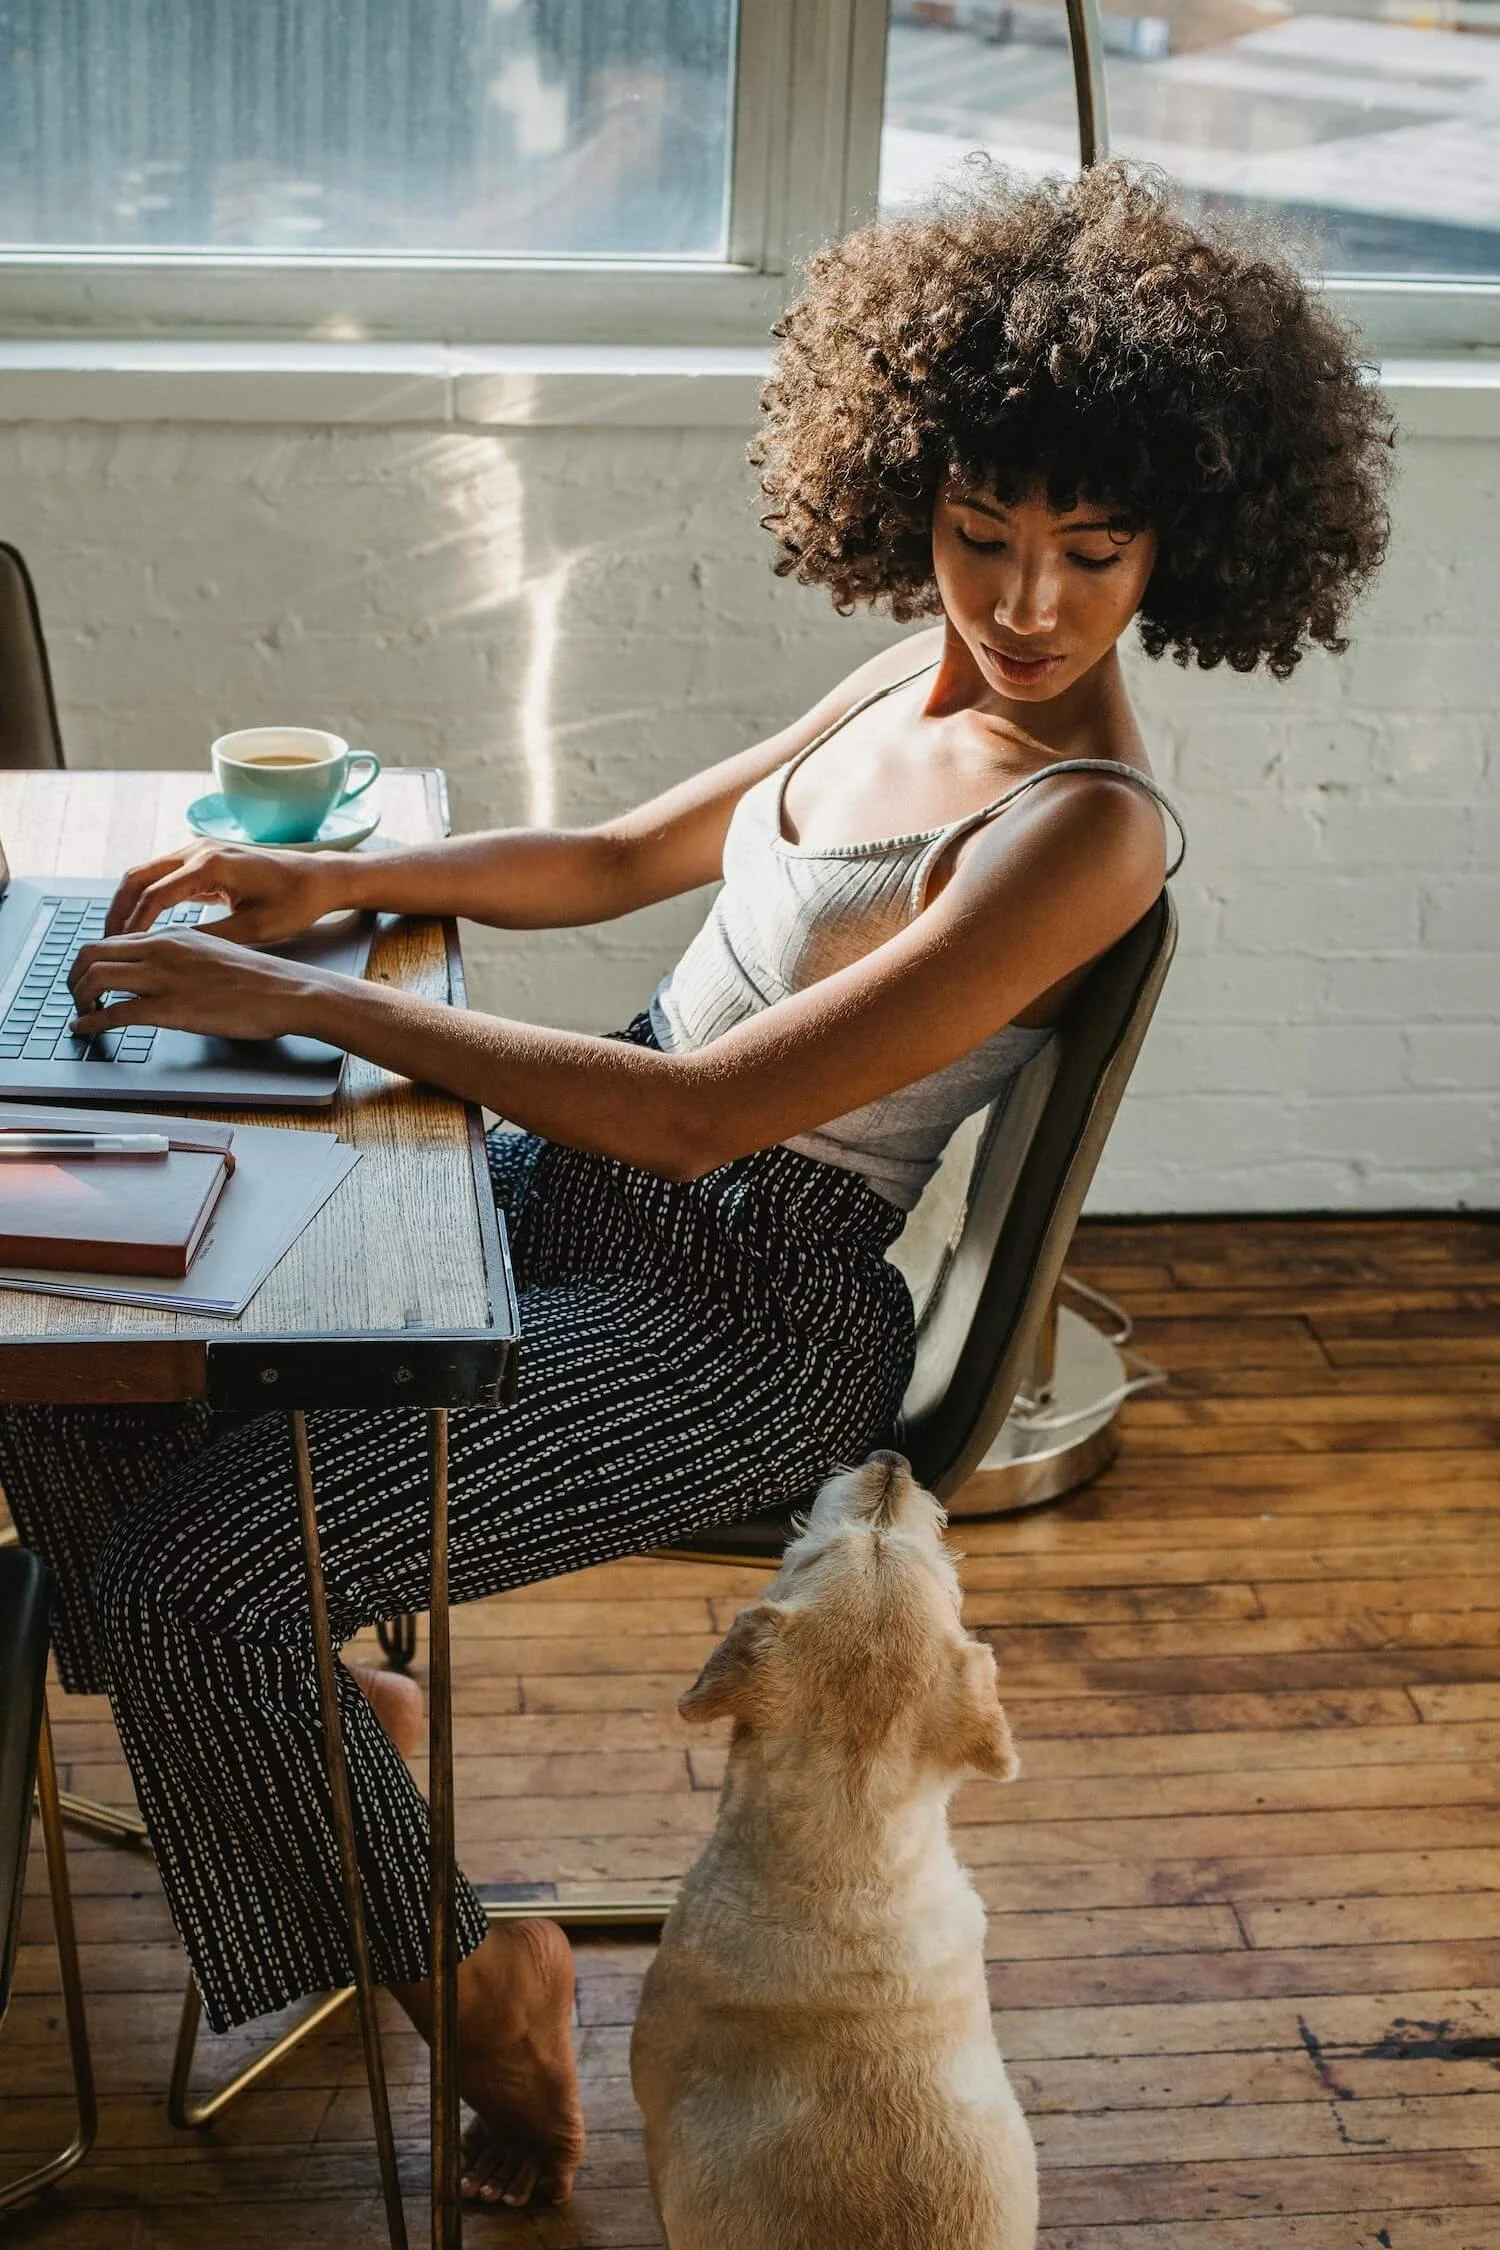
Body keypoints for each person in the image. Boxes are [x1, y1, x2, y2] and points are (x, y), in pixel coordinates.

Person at [0, 162, 1391, 2209]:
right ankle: (327, 1732)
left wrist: (301, 998)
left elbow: (711, 1116)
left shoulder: (1088, 828)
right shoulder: (905, 680)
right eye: (977, 536)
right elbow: (615, 861)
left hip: (740, 1318)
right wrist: (324, 887)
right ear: (909, 493)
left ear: (1177, 546)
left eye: (1087, 557)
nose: (1018, 604)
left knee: (201, 1583)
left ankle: (489, 1994)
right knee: (69, 1354)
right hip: (576, 1182)